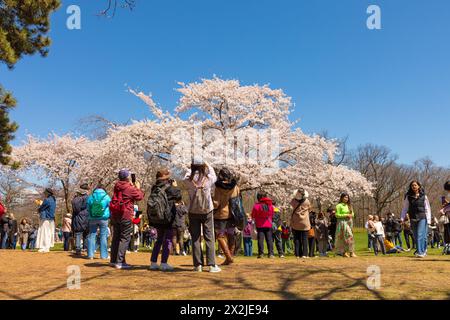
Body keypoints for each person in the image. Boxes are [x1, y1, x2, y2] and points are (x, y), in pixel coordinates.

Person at [184, 161, 221, 273]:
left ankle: (198, 265)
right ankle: (211, 265)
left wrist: (191, 168)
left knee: (195, 238)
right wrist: (207, 164)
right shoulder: (208, 179)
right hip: (207, 210)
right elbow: (214, 175)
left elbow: (185, 175)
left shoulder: (188, 180)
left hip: (193, 210)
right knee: (209, 236)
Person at [110, 169, 144, 269]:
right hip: (125, 214)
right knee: (124, 238)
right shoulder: (130, 188)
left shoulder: (116, 186)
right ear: (127, 177)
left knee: (116, 237)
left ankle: (113, 260)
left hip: (115, 214)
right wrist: (137, 188)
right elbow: (140, 196)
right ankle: (120, 261)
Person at [148, 169, 182, 272]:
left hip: (157, 217)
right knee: (167, 239)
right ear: (167, 178)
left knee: (159, 240)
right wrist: (175, 186)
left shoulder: (154, 188)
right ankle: (163, 263)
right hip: (167, 218)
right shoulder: (170, 188)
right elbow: (179, 198)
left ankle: (153, 263)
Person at [213, 168, 241, 265]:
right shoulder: (236, 187)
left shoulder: (218, 187)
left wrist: (211, 204)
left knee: (220, 236)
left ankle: (228, 257)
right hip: (233, 214)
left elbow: (216, 203)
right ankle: (230, 257)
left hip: (221, 215)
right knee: (231, 235)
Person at [400, 181, 431, 258]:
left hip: (422, 217)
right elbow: (405, 208)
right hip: (413, 217)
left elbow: (427, 209)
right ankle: (422, 251)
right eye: (412, 185)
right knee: (416, 235)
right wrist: (402, 217)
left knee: (420, 234)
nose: (413, 186)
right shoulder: (408, 197)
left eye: (415, 185)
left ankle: (420, 252)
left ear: (419, 186)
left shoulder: (424, 196)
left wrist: (429, 220)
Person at [86, 184, 111, 260]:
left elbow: (88, 208)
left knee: (92, 235)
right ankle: (103, 256)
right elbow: (111, 206)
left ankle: (90, 255)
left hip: (92, 218)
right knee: (103, 236)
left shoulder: (91, 197)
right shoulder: (106, 197)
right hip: (103, 218)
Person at [252, 191, 275, 259]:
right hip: (268, 224)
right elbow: (272, 214)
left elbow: (253, 215)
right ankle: (271, 254)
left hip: (260, 225)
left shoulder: (256, 206)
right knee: (269, 239)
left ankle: (261, 254)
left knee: (260, 240)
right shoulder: (270, 206)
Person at [290, 188, 311, 259]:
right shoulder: (307, 201)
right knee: (304, 239)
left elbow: (291, 205)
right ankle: (305, 254)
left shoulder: (293, 201)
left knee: (297, 238)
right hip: (305, 222)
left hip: (296, 221)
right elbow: (309, 208)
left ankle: (297, 254)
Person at [335, 193, 357, 258]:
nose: (346, 199)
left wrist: (351, 215)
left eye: (347, 197)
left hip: (349, 222)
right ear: (341, 198)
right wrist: (345, 215)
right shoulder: (338, 206)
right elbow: (337, 215)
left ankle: (347, 252)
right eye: (345, 197)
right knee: (349, 236)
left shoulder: (349, 205)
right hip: (342, 222)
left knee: (348, 236)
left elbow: (352, 214)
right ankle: (350, 252)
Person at [71, 183, 90, 256]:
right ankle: (86, 248)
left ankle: (78, 249)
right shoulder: (87, 197)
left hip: (78, 217)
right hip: (86, 217)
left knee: (78, 233)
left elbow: (75, 208)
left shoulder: (76, 198)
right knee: (86, 234)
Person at [36, 188, 56, 253]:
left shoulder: (47, 200)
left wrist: (39, 205)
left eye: (45, 192)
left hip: (46, 218)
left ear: (48, 193)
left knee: (44, 232)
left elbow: (42, 208)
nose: (44, 193)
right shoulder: (53, 200)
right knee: (49, 232)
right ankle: (47, 246)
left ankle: (44, 247)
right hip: (51, 218)